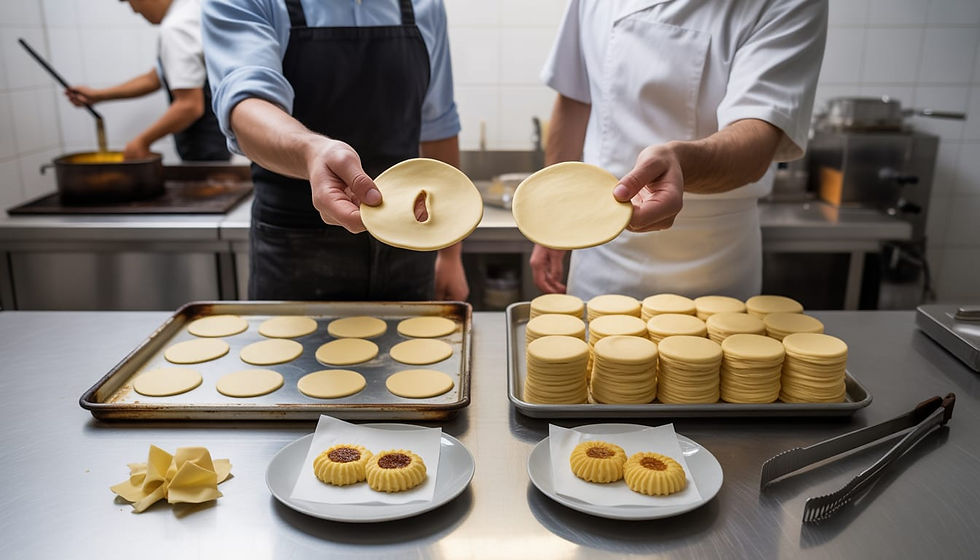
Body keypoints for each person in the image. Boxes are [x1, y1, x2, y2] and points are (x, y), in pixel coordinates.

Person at [530, 0, 828, 301]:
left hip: (712, 261)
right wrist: (554, 215)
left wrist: (681, 164)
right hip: (600, 252)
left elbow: (757, 141)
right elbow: (574, 98)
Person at [201, 0, 467, 301]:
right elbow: (246, 106)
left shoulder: (425, 6)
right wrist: (310, 151)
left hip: (411, 244)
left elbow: (439, 126)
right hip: (296, 248)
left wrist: (450, 255)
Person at [66, 0, 230, 162]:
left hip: (208, 154)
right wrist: (98, 95)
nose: (134, 10)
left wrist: (141, 142)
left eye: (130, 1)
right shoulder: (194, 10)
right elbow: (156, 77)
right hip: (224, 142)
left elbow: (190, 106)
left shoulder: (177, 27)